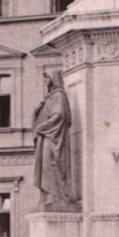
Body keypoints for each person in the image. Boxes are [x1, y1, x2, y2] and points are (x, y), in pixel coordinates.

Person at [32, 70, 79, 211]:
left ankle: (55, 197)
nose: (45, 81)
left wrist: (42, 127)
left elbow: (59, 115)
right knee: (45, 167)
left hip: (52, 137)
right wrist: (37, 110)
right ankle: (47, 197)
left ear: (53, 79)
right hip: (46, 137)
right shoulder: (49, 98)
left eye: (47, 78)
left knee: (51, 165)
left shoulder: (59, 96)